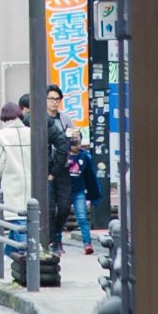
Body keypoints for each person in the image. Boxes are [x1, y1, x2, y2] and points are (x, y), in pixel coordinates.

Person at [0, 101, 32, 253]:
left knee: (19, 223)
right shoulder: (30, 133)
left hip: (12, 186)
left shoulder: (0, 137)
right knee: (23, 220)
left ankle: (26, 260)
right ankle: (10, 256)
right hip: (32, 186)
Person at [66, 128, 100, 255]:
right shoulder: (63, 154)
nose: (77, 146)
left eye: (78, 143)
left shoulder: (85, 156)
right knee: (60, 216)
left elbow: (90, 176)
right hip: (65, 190)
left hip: (79, 190)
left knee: (82, 216)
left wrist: (94, 194)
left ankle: (87, 243)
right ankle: (56, 242)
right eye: (74, 143)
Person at [46, 88, 72, 255]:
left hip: (62, 168)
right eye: (51, 98)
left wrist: (75, 139)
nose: (54, 102)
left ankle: (57, 236)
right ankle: (51, 239)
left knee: (64, 206)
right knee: (48, 207)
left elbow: (75, 141)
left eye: (57, 99)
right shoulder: (40, 119)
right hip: (46, 167)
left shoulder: (65, 119)